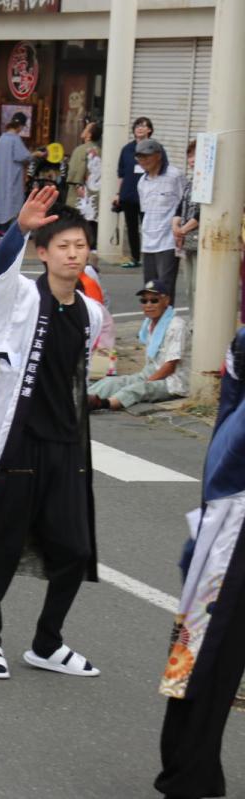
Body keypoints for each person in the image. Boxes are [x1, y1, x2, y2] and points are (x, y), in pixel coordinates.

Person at [0, 188, 106, 681]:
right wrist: (20, 228)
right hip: (20, 442)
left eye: (80, 246)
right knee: (4, 546)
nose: (73, 254)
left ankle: (47, 643)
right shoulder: (24, 299)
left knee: (76, 550)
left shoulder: (91, 312)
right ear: (44, 253)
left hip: (67, 444)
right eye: (63, 246)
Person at [154, 328, 245, 799]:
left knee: (212, 645)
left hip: (229, 508)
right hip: (236, 519)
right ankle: (189, 769)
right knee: (210, 647)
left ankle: (193, 768)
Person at [89, 280, 187, 410]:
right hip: (151, 372)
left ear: (166, 301)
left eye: (154, 300)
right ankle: (81, 398)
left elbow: (170, 366)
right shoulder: (148, 324)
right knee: (112, 382)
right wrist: (143, 379)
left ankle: (102, 404)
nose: (148, 305)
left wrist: (147, 382)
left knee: (136, 388)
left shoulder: (176, 326)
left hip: (173, 381)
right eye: (144, 301)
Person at [136, 137, 184, 292]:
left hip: (168, 241)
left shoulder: (174, 175)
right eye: (140, 157)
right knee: (150, 289)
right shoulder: (142, 182)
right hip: (148, 240)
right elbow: (144, 210)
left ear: (158, 155)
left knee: (165, 287)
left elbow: (184, 203)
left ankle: (168, 310)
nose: (143, 161)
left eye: (147, 156)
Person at [113, 116, 153, 268]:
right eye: (137, 126)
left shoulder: (155, 148)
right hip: (129, 193)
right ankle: (135, 258)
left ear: (149, 130)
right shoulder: (127, 149)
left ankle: (150, 258)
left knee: (148, 227)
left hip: (148, 195)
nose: (139, 128)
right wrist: (118, 194)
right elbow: (121, 173)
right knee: (131, 228)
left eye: (143, 126)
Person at [0, 111, 31, 238]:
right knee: (10, 203)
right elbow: (23, 156)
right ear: (20, 126)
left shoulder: (1, 138)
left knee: (0, 201)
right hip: (12, 176)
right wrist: (36, 154)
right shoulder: (15, 139)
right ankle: (5, 230)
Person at [173, 139, 200, 292]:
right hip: (187, 239)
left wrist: (182, 230)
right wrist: (175, 225)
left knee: (197, 283)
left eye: (196, 155)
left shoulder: (207, 182)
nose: (192, 159)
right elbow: (181, 205)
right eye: (190, 156)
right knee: (189, 285)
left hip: (198, 239)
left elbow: (202, 212)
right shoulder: (191, 181)